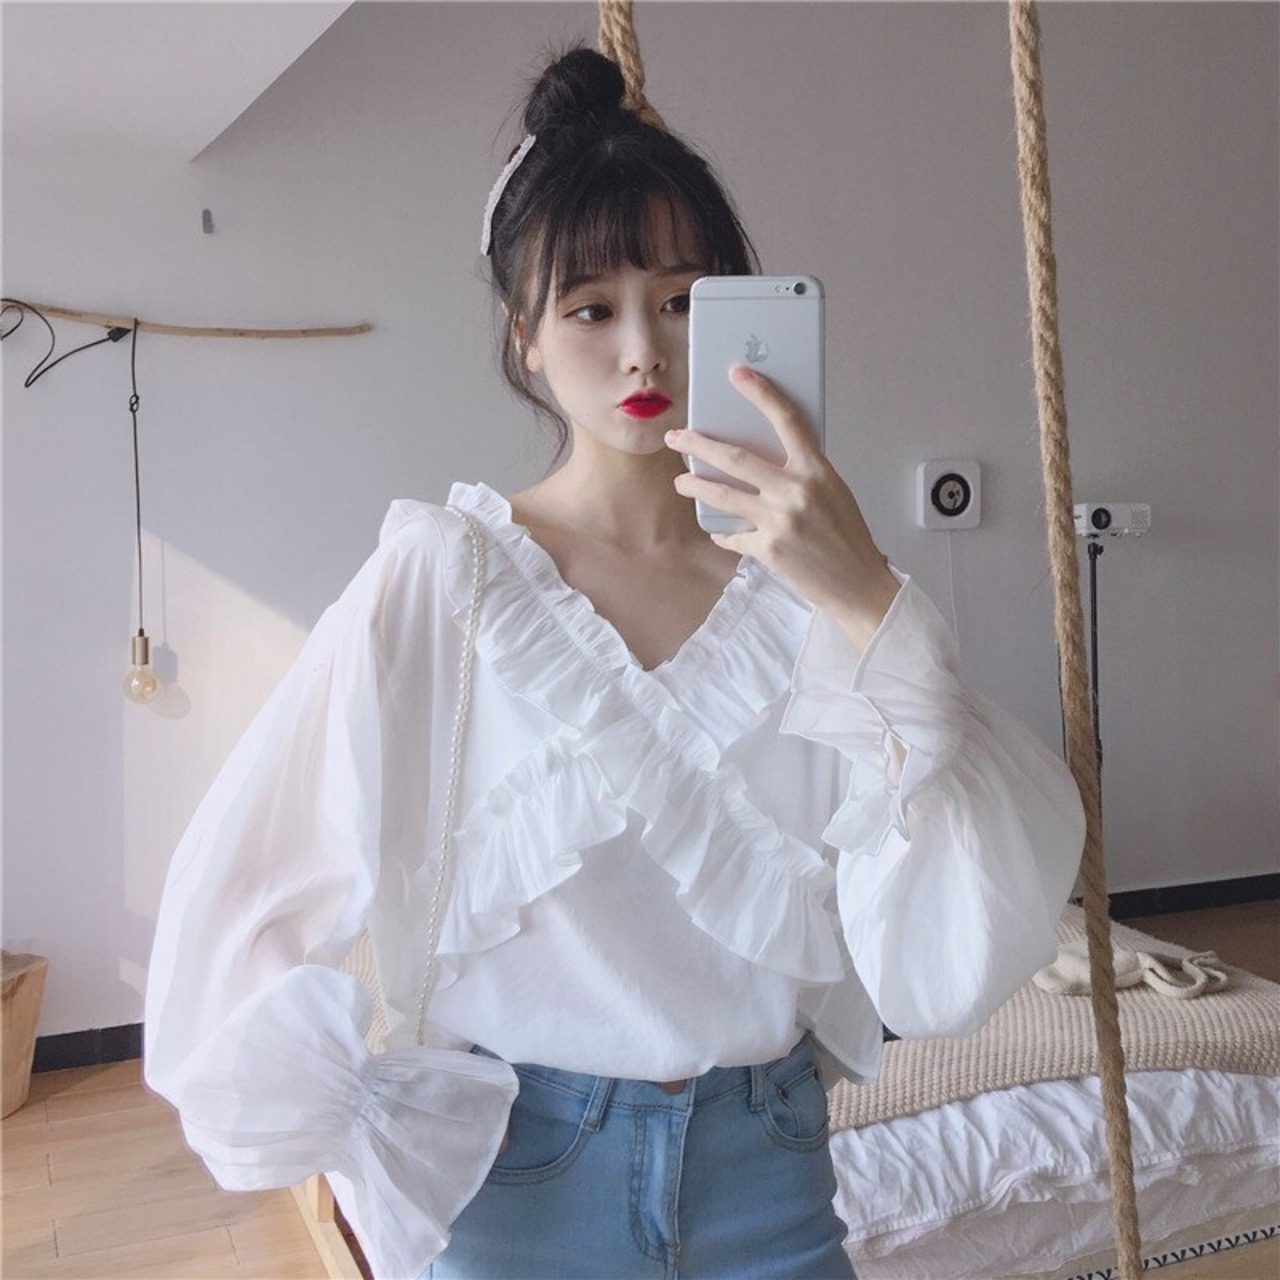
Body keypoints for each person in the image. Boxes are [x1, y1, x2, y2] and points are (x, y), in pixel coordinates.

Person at [143, 46, 1084, 1280]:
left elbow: (946, 900)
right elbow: (251, 874)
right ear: (524, 337)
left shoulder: (808, 589)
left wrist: (863, 589)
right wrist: (355, 1119)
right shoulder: (443, 580)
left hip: (770, 1162)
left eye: (683, 300)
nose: (644, 349)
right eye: (590, 308)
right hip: (516, 1182)